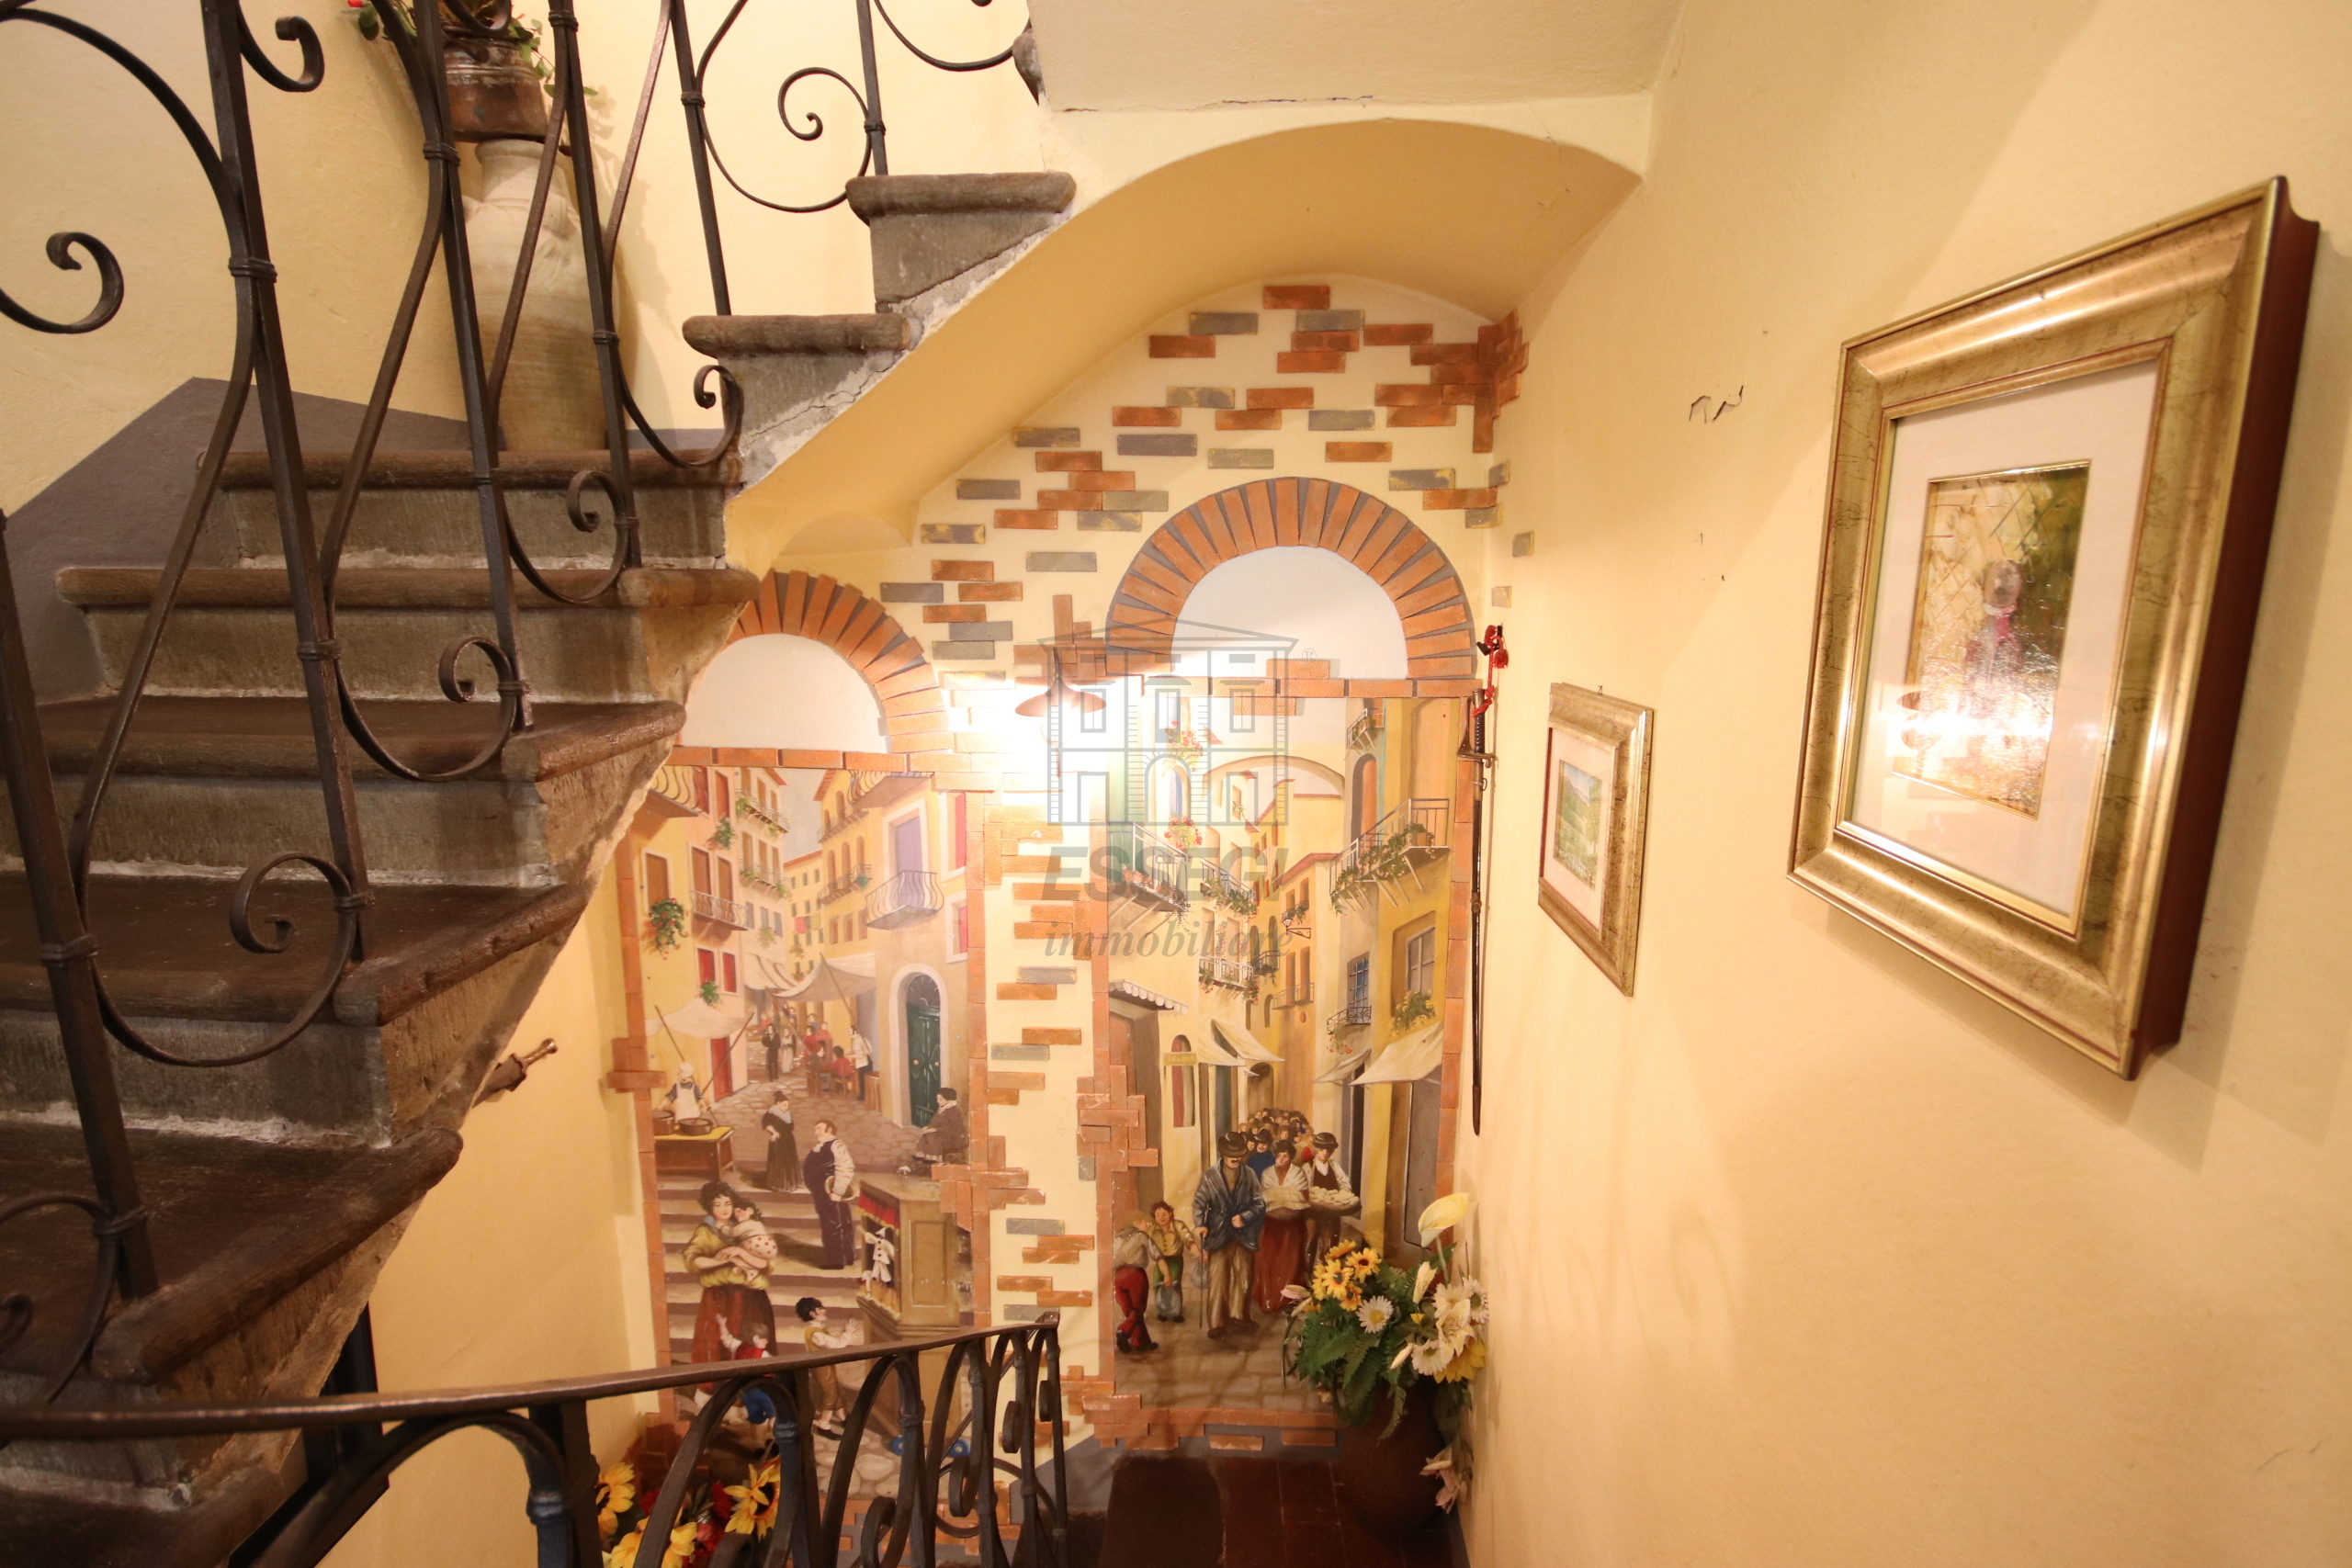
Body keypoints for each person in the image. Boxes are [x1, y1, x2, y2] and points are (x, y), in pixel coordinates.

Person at [684, 1184, 777, 1368]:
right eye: (718, 1204)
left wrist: (739, 1253)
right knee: (719, 1344)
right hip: (720, 1296)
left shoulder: (747, 1226)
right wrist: (722, 1261)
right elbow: (692, 1261)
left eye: (728, 1203)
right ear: (710, 1207)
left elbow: (766, 1264)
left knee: (754, 1346)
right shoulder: (705, 1231)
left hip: (751, 1296)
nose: (724, 1209)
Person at [1191, 1131, 1265, 1340]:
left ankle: (1239, 1316)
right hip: (1218, 1233)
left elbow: (1260, 1203)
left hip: (1243, 1234)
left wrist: (1245, 1217)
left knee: (1244, 1277)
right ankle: (1217, 1323)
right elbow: (1199, 1203)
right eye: (1231, 1153)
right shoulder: (1210, 1176)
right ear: (1223, 1153)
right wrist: (1200, 1225)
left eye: (1239, 1153)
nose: (1236, 1157)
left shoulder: (1249, 1174)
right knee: (1218, 1279)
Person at [1253, 1140, 1311, 1312]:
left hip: (1292, 1222)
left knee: (1290, 1258)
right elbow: (1264, 1195)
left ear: (1291, 1158)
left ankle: (1286, 1299)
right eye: (1279, 1156)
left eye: (1285, 1156)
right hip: (1271, 1221)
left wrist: (1289, 1200)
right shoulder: (1267, 1173)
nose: (1281, 1159)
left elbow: (1302, 1196)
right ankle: (1269, 1297)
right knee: (1268, 1256)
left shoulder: (1298, 1173)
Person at [802, 1119, 859, 1269]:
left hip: (831, 1193)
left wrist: (837, 1192)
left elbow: (845, 1167)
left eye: (819, 1129)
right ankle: (844, 1257)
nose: (816, 1132)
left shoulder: (836, 1145)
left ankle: (836, 1261)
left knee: (835, 1225)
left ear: (830, 1130)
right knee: (831, 1224)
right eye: (815, 1129)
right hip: (821, 1193)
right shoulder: (821, 1145)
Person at [795, 1297, 851, 1438]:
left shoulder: (817, 1329)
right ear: (812, 1314)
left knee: (834, 1390)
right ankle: (823, 1425)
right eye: (820, 1309)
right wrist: (848, 1333)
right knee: (829, 1394)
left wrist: (843, 1332)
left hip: (825, 1365)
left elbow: (832, 1340)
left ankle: (843, 1419)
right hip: (821, 1367)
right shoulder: (816, 1333)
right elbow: (837, 1344)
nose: (824, 1311)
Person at [1304, 1131, 1359, 1259]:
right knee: (1310, 1244)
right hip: (1313, 1212)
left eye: (1329, 1150)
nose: (1325, 1152)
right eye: (1322, 1149)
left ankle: (1326, 1268)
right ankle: (1308, 1269)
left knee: (1330, 1246)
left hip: (1332, 1211)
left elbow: (1344, 1183)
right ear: (1316, 1149)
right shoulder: (1308, 1167)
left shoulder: (1334, 1165)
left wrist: (1342, 1196)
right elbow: (1304, 1188)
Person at [1112, 1215, 1158, 1353]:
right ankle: (1123, 1330)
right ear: (1136, 1222)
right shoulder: (1141, 1236)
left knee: (1130, 1312)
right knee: (1137, 1310)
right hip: (1136, 1275)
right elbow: (1157, 1254)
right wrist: (1167, 1273)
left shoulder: (1117, 1239)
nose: (1147, 1226)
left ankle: (1140, 1342)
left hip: (1118, 1277)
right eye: (1146, 1222)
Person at [1144, 1201, 1191, 1323]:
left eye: (1164, 1214)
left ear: (1170, 1214)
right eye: (1158, 1215)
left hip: (1175, 1259)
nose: (1161, 1217)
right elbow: (1141, 1228)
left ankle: (1176, 1312)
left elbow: (1188, 1240)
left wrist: (1198, 1253)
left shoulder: (1178, 1225)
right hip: (1160, 1259)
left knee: (1174, 1284)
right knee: (1157, 1283)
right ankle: (1161, 1311)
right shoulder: (1152, 1227)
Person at [912, 1088, 967, 1171]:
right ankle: (924, 1160)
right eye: (937, 1099)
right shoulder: (941, 1109)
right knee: (926, 1135)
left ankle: (935, 1161)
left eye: (940, 1099)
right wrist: (928, 1127)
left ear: (948, 1099)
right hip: (942, 1133)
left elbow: (953, 1129)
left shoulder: (954, 1111)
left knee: (934, 1138)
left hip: (953, 1137)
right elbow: (934, 1122)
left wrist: (934, 1130)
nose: (938, 1101)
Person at [760, 1086, 800, 1192]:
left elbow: (790, 1127)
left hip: (788, 1140)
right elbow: (766, 1124)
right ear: (777, 1104)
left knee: (790, 1160)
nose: (787, 1107)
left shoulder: (786, 1113)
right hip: (779, 1141)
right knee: (780, 1161)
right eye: (784, 1105)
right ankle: (780, 1184)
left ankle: (792, 1182)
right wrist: (774, 1132)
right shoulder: (771, 1113)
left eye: (787, 1105)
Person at [664, 1063, 711, 1134]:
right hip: (681, 1113)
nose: (684, 1078)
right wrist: (662, 1105)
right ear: (679, 1076)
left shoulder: (694, 1087)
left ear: (690, 1078)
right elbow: (670, 1097)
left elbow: (700, 1098)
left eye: (686, 1077)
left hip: (693, 1113)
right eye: (682, 1076)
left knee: (693, 1131)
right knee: (681, 1131)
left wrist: (703, 1107)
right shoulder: (676, 1086)